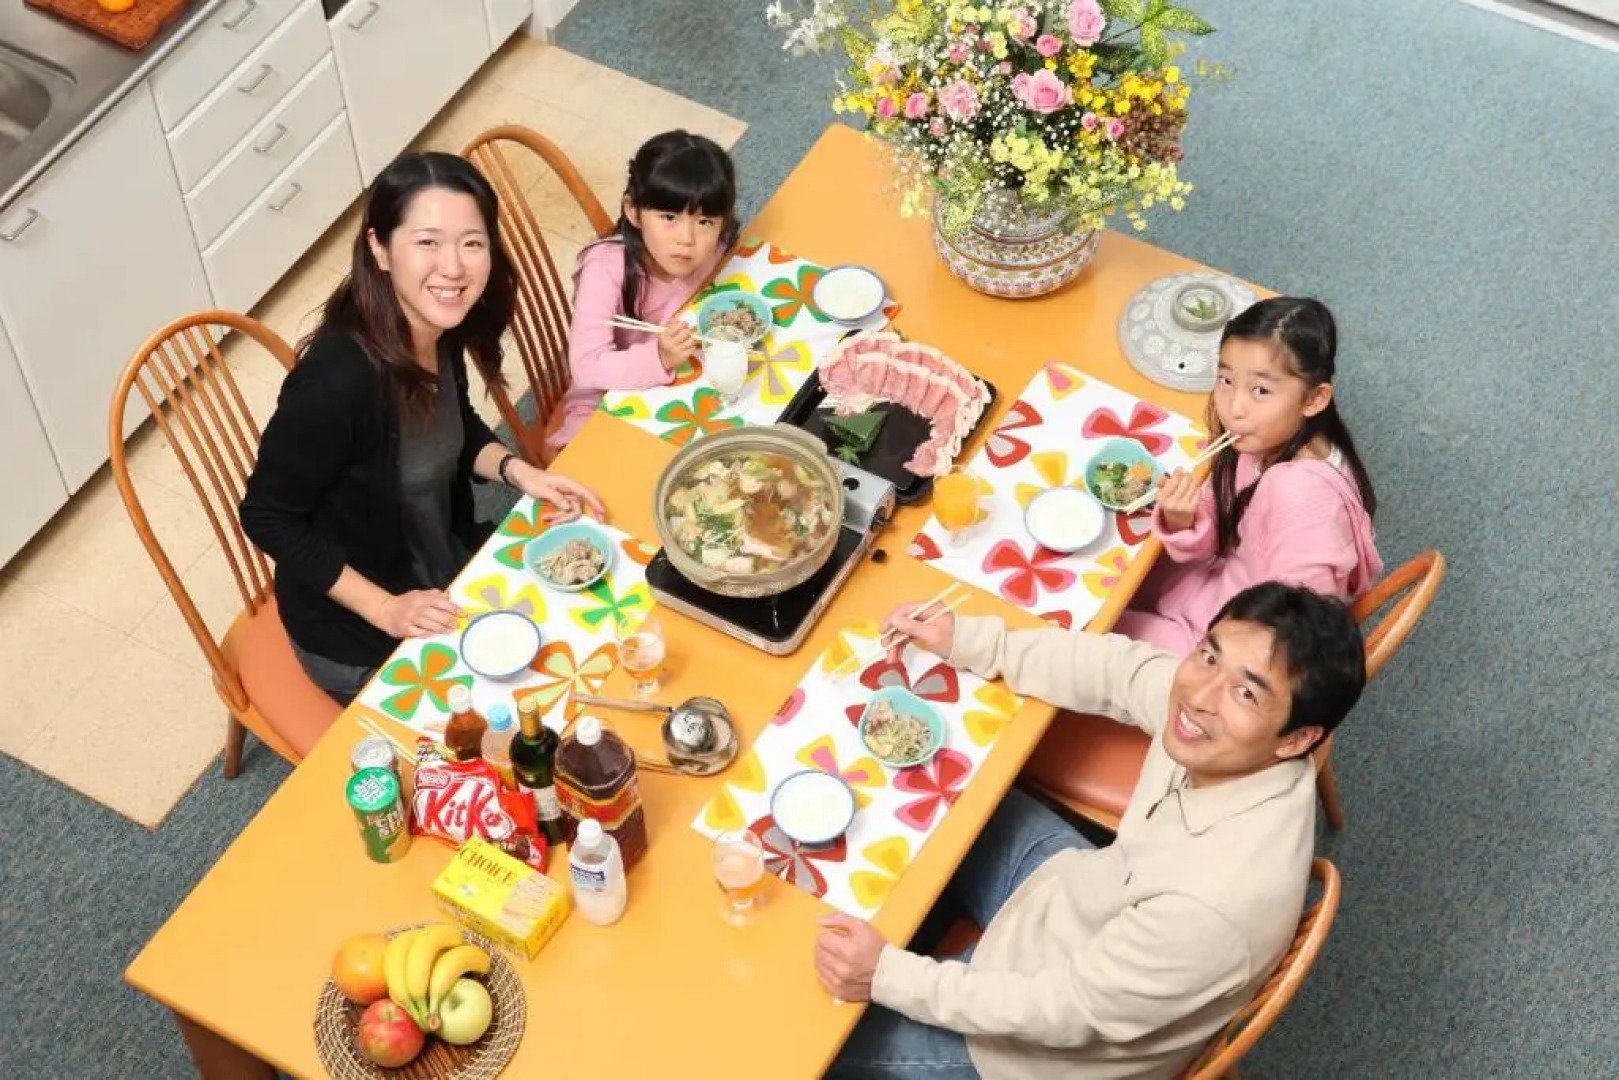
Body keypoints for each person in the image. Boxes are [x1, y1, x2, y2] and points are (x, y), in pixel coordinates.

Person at [816, 582, 1367, 1080]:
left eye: (1246, 694)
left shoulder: (1210, 907)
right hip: (1078, 890)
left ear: (1298, 738)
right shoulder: (1233, 735)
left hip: (1036, 1053)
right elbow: (1120, 670)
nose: (1200, 696)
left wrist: (887, 975)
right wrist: (972, 640)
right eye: (1208, 655)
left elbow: (1061, 1009)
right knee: (951, 786)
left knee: (815, 1041)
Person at [241, 152, 605, 725]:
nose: (453, 268)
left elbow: (452, 423)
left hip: (442, 564)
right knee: (508, 730)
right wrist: (385, 609)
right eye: (428, 243)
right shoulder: (335, 384)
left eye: (472, 243)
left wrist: (520, 472)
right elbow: (266, 517)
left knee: (584, 637)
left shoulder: (437, 322)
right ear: (381, 249)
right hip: (361, 627)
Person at [1113, 297, 1382, 655]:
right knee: (1120, 569)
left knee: (1089, 630)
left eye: (1261, 391)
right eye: (1226, 380)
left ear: (1315, 399)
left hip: (1227, 647)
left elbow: (1296, 633)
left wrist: (1213, 659)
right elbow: (1223, 510)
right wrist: (1183, 518)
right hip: (1220, 587)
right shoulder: (1270, 437)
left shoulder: (1301, 498)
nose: (1234, 408)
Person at [544, 130, 739, 455]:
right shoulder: (606, 267)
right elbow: (586, 367)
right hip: (605, 396)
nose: (687, 239)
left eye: (705, 221)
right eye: (669, 217)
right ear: (633, 212)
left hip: (685, 379)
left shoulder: (714, 247)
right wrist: (659, 357)